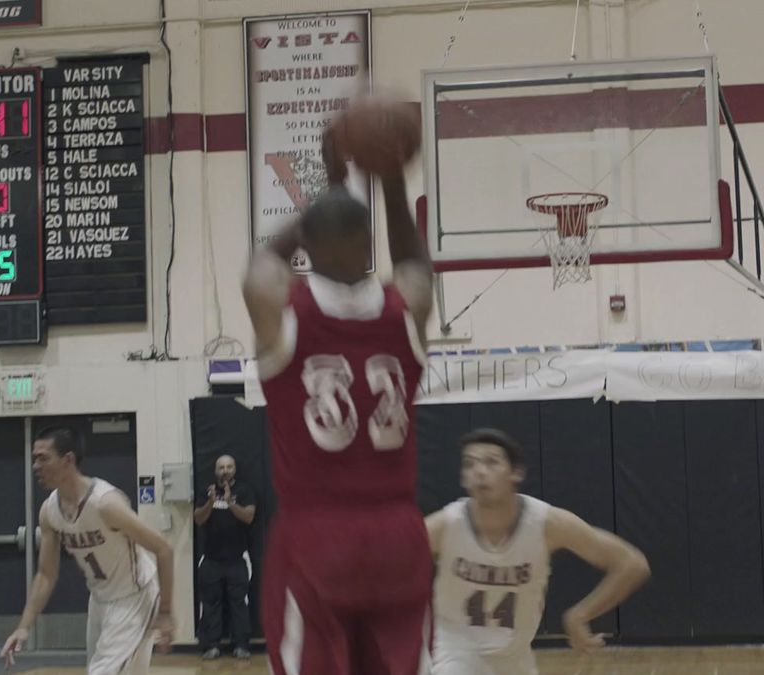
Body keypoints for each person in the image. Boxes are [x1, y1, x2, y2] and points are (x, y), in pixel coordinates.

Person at [244, 124, 436, 674]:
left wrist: (322, 197)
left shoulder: (286, 319)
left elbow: (257, 270)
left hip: (316, 535)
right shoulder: (406, 311)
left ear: (309, 244)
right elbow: (417, 268)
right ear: (367, 244)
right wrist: (392, 180)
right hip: (399, 535)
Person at [427, 429, 650, 675]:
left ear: (516, 473)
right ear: (463, 478)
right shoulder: (444, 526)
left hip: (516, 658)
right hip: (454, 653)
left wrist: (580, 615)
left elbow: (631, 564)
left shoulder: (545, 524)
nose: (479, 471)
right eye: (469, 464)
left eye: (491, 462)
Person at [1, 427, 176, 674]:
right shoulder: (49, 511)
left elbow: (163, 548)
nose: (35, 466)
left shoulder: (105, 504)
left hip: (135, 597)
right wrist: (23, 626)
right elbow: (45, 575)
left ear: (68, 460)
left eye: (43, 458)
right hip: (100, 600)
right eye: (34, 459)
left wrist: (166, 613)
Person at [193, 454, 257, 660]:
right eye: (221, 467)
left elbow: (248, 517)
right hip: (211, 558)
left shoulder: (244, 490)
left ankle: (242, 645)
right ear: (215, 471)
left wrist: (230, 502)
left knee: (239, 604)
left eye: (229, 467)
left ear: (235, 470)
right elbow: (199, 519)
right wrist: (211, 503)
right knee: (210, 604)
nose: (225, 471)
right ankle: (211, 645)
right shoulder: (207, 491)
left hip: (237, 559)